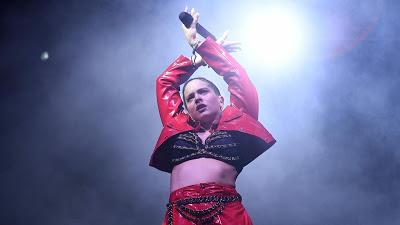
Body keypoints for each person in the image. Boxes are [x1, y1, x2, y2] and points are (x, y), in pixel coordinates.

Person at [150, 7, 276, 225]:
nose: (196, 98)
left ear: (220, 100)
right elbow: (165, 82)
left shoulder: (240, 119)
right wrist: (196, 60)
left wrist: (201, 45)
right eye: (189, 98)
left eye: (203, 92)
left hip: (227, 212)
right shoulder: (176, 123)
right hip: (180, 213)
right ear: (186, 107)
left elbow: (237, 77)